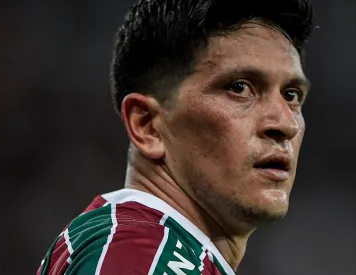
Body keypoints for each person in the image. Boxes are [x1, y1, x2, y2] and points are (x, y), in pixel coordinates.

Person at [37, 0, 314, 274]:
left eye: (291, 95)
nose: (285, 124)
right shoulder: (143, 256)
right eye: (239, 88)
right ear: (147, 126)